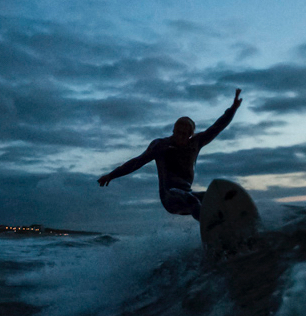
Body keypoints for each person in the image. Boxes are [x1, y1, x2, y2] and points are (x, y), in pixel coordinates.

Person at [98, 89, 242, 220]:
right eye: (178, 132)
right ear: (173, 131)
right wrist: (112, 175)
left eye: (185, 134)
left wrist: (233, 109)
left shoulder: (195, 144)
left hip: (187, 193)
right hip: (170, 197)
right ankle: (212, 225)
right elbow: (137, 162)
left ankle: (231, 226)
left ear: (190, 135)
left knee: (212, 198)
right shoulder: (160, 145)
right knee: (192, 200)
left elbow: (217, 127)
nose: (181, 136)